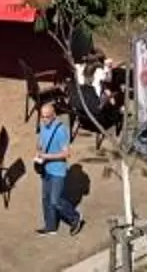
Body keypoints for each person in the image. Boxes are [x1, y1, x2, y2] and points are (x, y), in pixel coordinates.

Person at [34, 94, 83, 237]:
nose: (44, 120)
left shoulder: (61, 130)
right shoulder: (43, 125)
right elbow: (41, 141)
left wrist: (46, 157)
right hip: (46, 169)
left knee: (55, 201)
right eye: (42, 117)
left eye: (47, 117)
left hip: (57, 171)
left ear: (54, 115)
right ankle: (50, 226)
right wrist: (39, 149)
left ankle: (75, 217)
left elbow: (66, 154)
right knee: (45, 198)